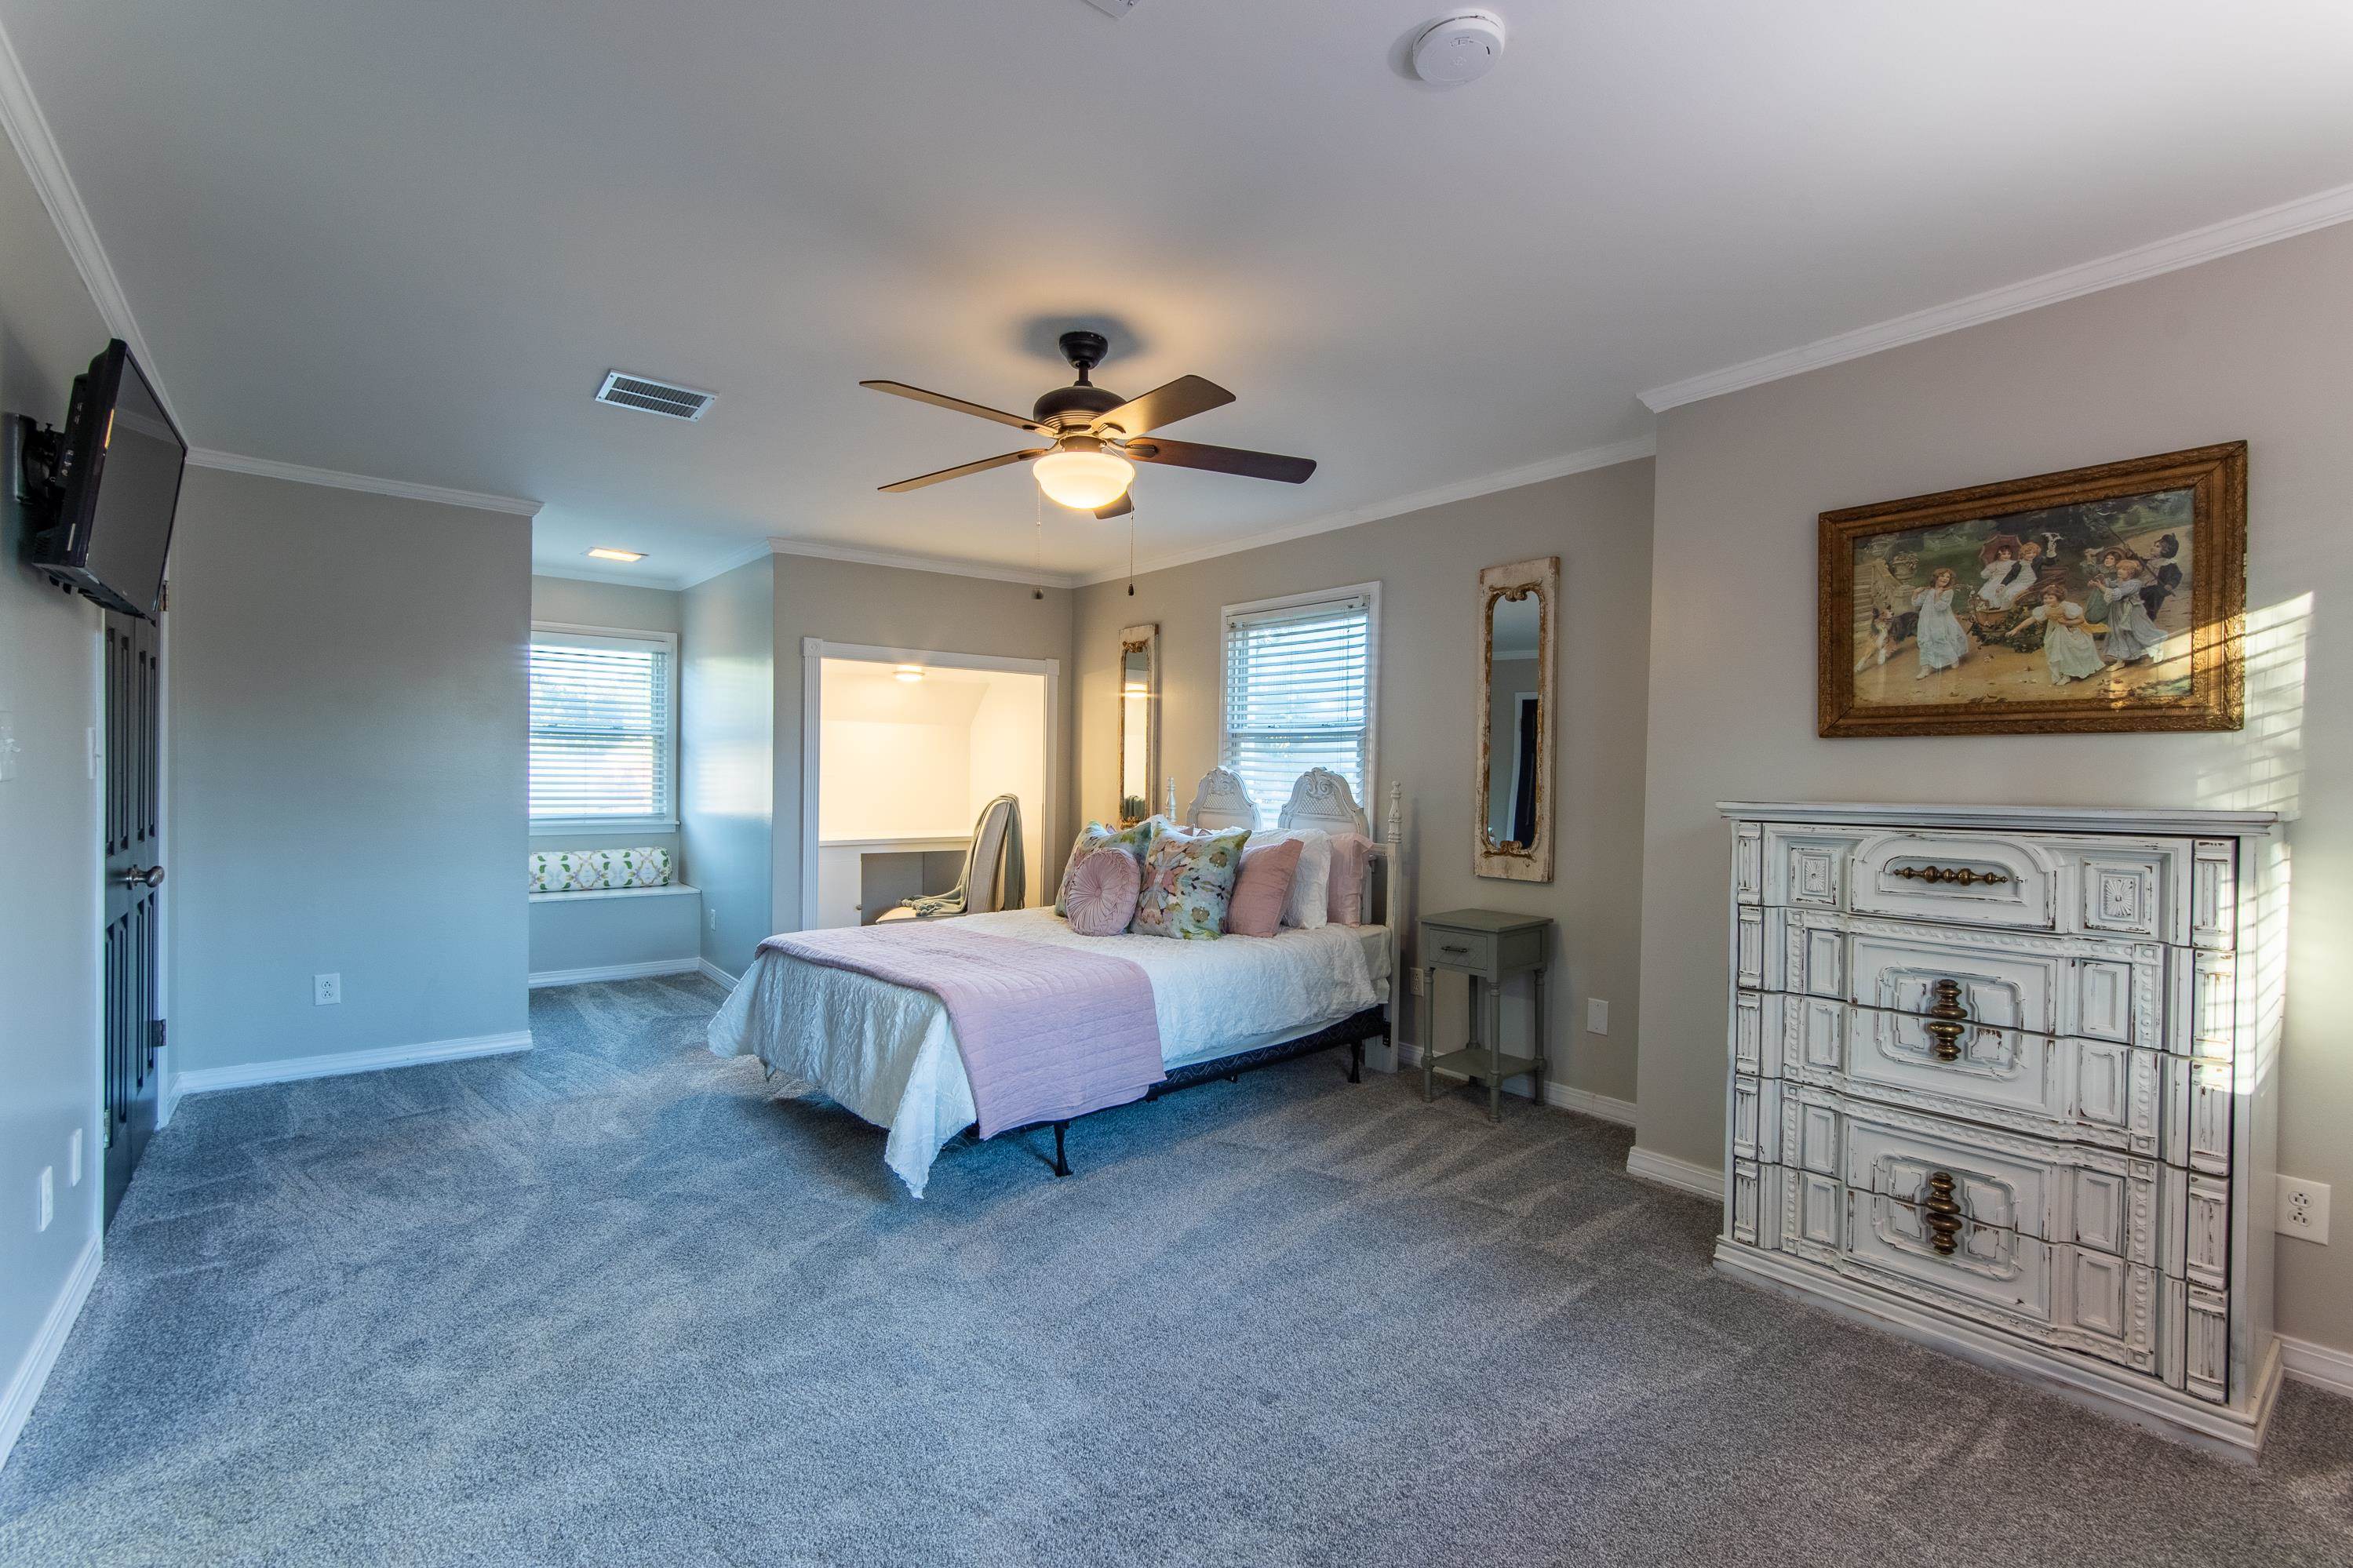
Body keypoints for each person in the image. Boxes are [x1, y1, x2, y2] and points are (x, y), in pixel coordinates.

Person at [2098, 555, 2168, 665]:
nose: (2119, 571)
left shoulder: (2135, 583)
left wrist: (2101, 587)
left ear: (2131, 573)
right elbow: (2112, 584)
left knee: (2139, 632)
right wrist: (2102, 582)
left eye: (2124, 569)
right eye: (2119, 569)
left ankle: (2157, 649)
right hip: (2118, 611)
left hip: (2132, 611)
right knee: (2119, 633)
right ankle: (2123, 658)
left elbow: (2118, 593)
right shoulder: (2120, 581)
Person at [2029, 585, 2105, 685]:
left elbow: (2081, 620)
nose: (2047, 600)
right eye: (2045, 598)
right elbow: (2031, 619)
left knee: (2067, 651)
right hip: (2055, 631)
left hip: (2072, 630)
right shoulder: (2045, 609)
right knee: (2056, 650)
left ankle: (2069, 674)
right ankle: (2063, 673)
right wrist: (2016, 629)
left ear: (2058, 598)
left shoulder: (2067, 607)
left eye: (2050, 598)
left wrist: (2065, 622)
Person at [1913, 566, 1969, 678]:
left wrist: (1938, 596)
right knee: (1924, 640)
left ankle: (1953, 659)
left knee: (1940, 638)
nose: (1945, 579)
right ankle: (1925, 668)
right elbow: (1916, 603)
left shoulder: (1948, 592)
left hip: (1941, 619)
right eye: (1942, 576)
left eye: (1948, 577)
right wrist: (1915, 593)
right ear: (1936, 577)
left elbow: (1941, 607)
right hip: (1926, 619)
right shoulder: (1928, 590)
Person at [1977, 535, 2034, 611]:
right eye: (2004, 554)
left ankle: (2004, 608)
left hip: (2008, 580)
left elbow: (2017, 572)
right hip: (1995, 581)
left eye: (2009, 554)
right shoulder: (1995, 564)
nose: (2007, 556)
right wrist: (1991, 571)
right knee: (1989, 593)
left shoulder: (2013, 563)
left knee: (2007, 592)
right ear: (1999, 554)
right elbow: (1984, 575)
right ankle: (1992, 608)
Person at [2140, 533, 2185, 621]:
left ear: (2165, 550)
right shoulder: (2148, 559)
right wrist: (2129, 553)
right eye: (2154, 545)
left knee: (2151, 608)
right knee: (2139, 604)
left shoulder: (2168, 563)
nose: (2152, 548)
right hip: (2143, 587)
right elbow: (2136, 560)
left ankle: (2148, 622)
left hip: (2156, 590)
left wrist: (2171, 585)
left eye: (2157, 547)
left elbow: (2177, 575)